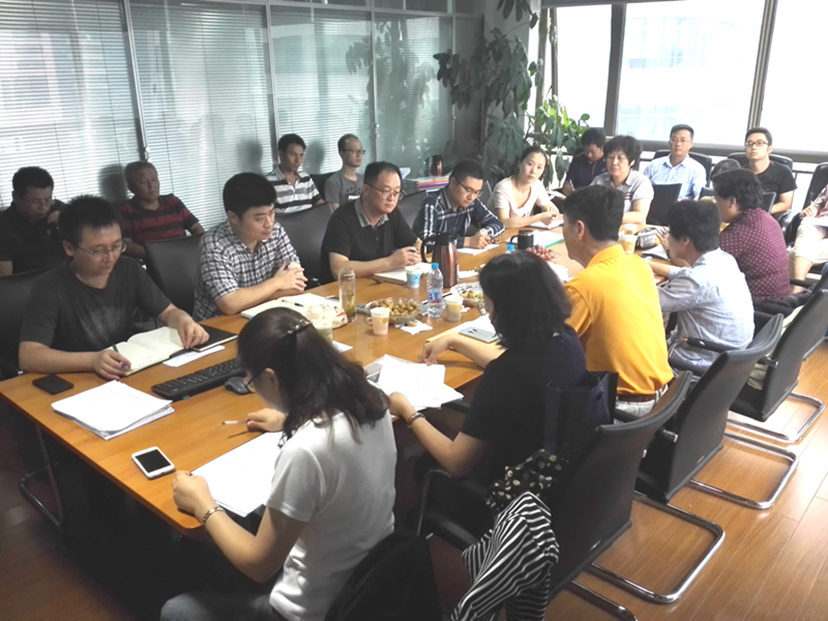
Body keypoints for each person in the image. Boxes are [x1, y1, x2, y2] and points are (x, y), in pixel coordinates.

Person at [161, 307, 396, 621]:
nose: (254, 390)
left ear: (271, 378)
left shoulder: (307, 451)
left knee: (175, 611)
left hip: (317, 609)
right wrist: (291, 418)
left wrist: (203, 504)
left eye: (253, 382)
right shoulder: (372, 399)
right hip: (371, 580)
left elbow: (259, 565)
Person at [388, 251, 587, 482]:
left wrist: (408, 411)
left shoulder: (506, 374)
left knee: (423, 464)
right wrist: (455, 340)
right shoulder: (567, 338)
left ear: (508, 312)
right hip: (560, 469)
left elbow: (455, 462)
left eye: (489, 305)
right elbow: (513, 368)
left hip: (512, 484)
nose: (489, 314)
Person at [18, 196, 207, 380]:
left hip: (124, 371)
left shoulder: (128, 268)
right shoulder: (49, 287)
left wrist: (184, 321)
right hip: (79, 379)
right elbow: (29, 356)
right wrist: (92, 360)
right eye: (98, 251)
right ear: (69, 248)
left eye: (116, 246)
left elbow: (169, 312)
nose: (110, 257)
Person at [561, 185, 673, 416]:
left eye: (564, 224)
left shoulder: (585, 285)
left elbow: (540, 352)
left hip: (620, 410)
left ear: (579, 229)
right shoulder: (639, 266)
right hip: (662, 402)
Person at [650, 200, 754, 373]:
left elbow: (644, 301)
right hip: (729, 363)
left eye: (670, 234)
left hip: (695, 366)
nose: (667, 239)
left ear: (685, 240)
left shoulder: (698, 280)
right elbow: (685, 274)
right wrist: (645, 264)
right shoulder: (724, 259)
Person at [193, 173, 306, 321]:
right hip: (220, 325)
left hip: (266, 318)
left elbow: (297, 283)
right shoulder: (214, 244)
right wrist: (277, 283)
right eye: (259, 218)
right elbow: (230, 304)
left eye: (272, 213)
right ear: (233, 217)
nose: (269, 223)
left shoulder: (276, 231)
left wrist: (249, 299)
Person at [320, 161, 420, 283]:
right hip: (344, 289)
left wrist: (414, 256)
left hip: (378, 284)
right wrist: (390, 262)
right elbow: (338, 269)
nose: (392, 198)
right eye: (386, 191)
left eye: (396, 192)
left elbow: (417, 243)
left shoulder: (391, 213)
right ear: (366, 190)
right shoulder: (342, 218)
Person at [713, 169, 790, 302]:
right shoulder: (766, 218)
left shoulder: (737, 233)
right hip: (781, 300)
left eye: (716, 199)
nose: (715, 204)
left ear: (732, 201)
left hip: (757, 305)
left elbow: (701, 269)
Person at [119, 161, 204, 258]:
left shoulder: (173, 202)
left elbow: (196, 228)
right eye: (143, 182)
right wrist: (155, 255)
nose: (151, 186)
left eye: (154, 180)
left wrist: (198, 248)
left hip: (184, 256)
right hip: (152, 260)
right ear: (131, 188)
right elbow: (126, 244)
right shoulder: (126, 210)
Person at [413, 159, 504, 249]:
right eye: (468, 190)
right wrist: (467, 241)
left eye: (476, 192)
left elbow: (498, 224)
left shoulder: (472, 203)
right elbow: (425, 242)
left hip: (458, 255)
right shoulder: (432, 204)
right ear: (453, 183)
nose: (471, 197)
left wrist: (483, 233)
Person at [0, 166, 66, 276]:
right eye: (35, 202)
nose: (43, 207)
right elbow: (5, 279)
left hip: (66, 275)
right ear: (16, 197)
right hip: (29, 282)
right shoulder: (3, 225)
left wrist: (68, 220)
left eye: (48, 200)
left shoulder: (58, 209)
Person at [490, 145, 560, 229]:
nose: (533, 171)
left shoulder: (537, 185)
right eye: (530, 164)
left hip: (518, 233)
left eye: (539, 167)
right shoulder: (503, 188)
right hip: (492, 234)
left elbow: (551, 208)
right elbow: (505, 223)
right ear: (519, 163)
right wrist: (539, 218)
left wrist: (552, 214)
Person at [590, 135, 654, 224]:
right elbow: (587, 206)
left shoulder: (641, 182)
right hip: (602, 229)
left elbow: (640, 215)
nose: (614, 162)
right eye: (610, 157)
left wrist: (607, 216)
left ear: (632, 162)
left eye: (620, 158)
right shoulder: (599, 181)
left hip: (631, 231)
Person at [643, 124, 707, 200]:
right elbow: (640, 188)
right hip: (652, 205)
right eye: (674, 140)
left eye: (683, 140)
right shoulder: (653, 165)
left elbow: (698, 196)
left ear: (691, 144)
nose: (678, 144)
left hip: (681, 206)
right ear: (669, 143)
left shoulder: (697, 169)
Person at [742, 127, 796, 217]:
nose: (753, 147)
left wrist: (761, 212)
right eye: (749, 144)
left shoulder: (783, 172)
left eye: (759, 143)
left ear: (770, 149)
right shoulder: (739, 173)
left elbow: (785, 203)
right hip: (741, 217)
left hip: (768, 217)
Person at [267, 134, 325, 214]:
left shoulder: (306, 178)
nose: (298, 161)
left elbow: (321, 205)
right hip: (284, 221)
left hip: (309, 221)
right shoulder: (268, 182)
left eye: (301, 155)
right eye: (293, 154)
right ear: (281, 154)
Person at [791, 182, 828, 292]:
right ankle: (798, 286)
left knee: (795, 253)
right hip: (821, 221)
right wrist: (813, 209)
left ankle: (796, 289)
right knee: (806, 229)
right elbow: (820, 202)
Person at [324, 134, 364, 210]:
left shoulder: (364, 179)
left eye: (360, 150)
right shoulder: (333, 182)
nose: (359, 155)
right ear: (342, 153)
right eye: (353, 150)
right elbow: (335, 213)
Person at [562, 128, 607, 195]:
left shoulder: (609, 162)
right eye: (585, 151)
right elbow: (567, 184)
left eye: (592, 151)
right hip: (578, 197)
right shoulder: (578, 160)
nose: (589, 155)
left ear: (602, 147)